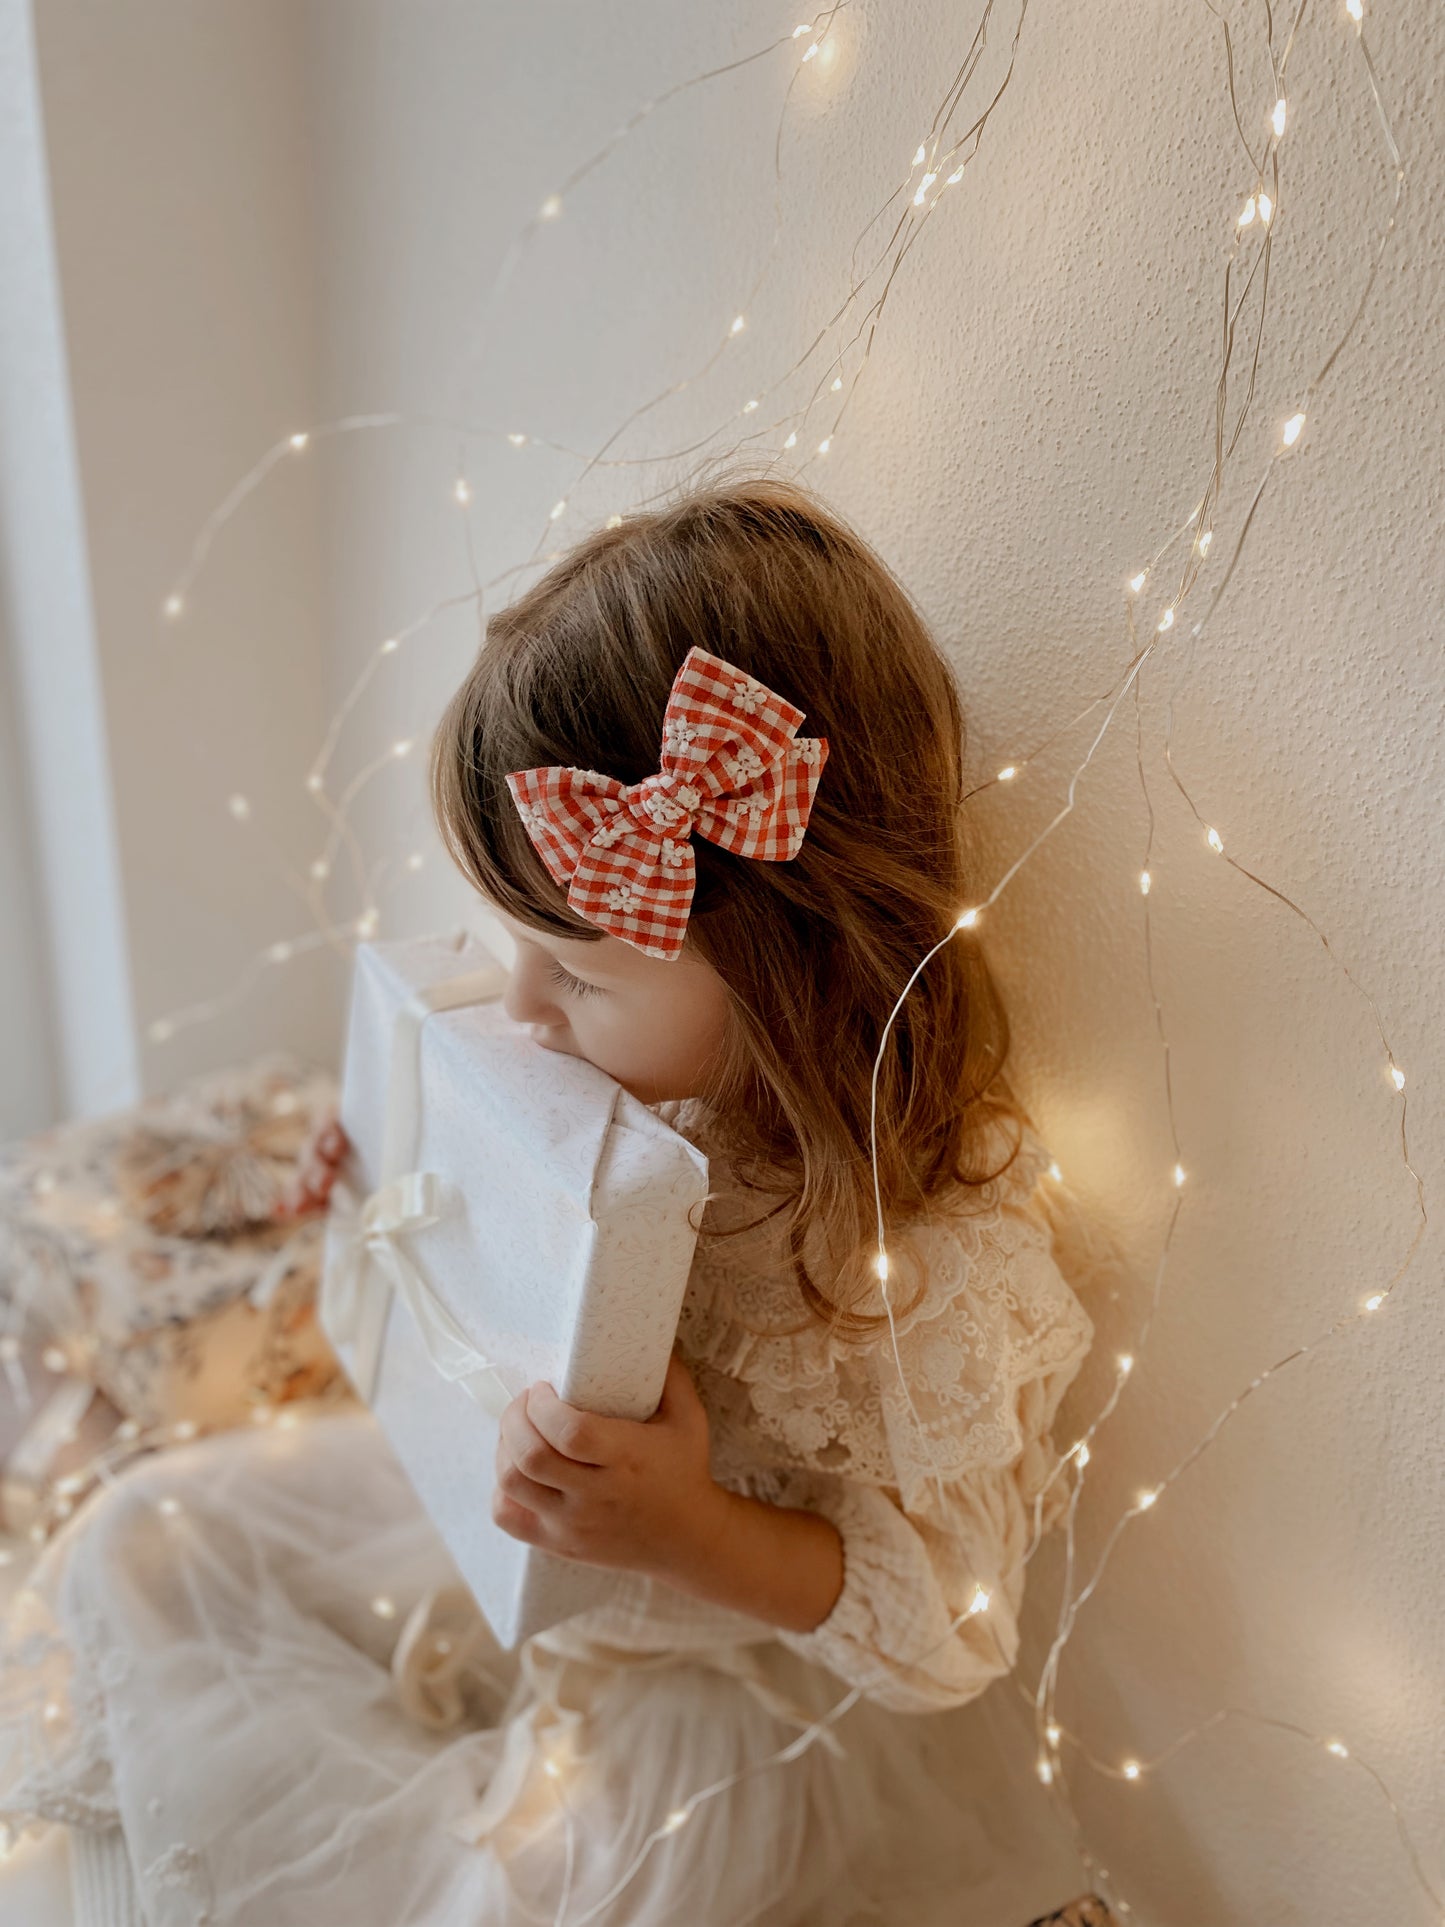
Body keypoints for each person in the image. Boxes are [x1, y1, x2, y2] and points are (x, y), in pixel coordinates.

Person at [0, 476, 1098, 1926]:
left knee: (530, 1890)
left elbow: (948, 1637)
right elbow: (484, 1209)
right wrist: (389, 1174)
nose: (522, 1008)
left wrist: (687, 1528)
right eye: (520, 951)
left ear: (789, 966)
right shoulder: (619, 1056)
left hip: (731, 1682)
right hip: (527, 1539)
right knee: (152, 1539)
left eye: (572, 972)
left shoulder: (932, 1261)